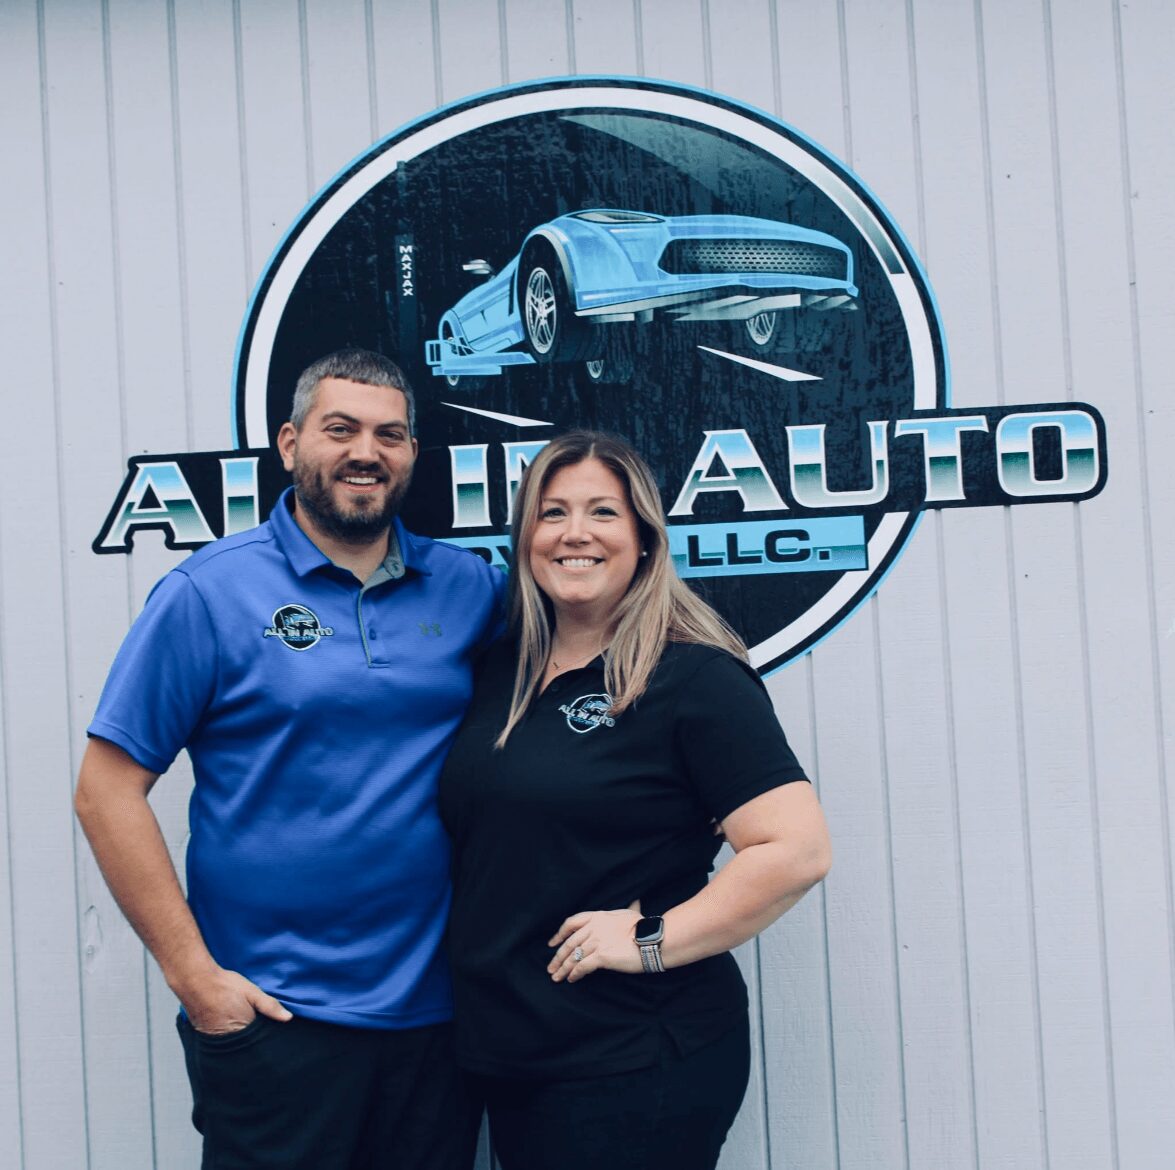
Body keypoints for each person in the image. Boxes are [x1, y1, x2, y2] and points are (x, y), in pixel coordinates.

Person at [74, 348, 504, 1170]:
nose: (365, 452)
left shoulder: (469, 590)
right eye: (339, 429)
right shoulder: (210, 593)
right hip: (274, 1018)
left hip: (437, 1023)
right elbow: (106, 792)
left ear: (412, 453)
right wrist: (196, 981)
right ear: (289, 442)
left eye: (389, 435)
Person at [437, 430, 832, 1170]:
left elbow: (795, 850)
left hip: (634, 1054)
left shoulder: (691, 676)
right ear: (524, 539)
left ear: (645, 539)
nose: (574, 533)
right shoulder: (499, 671)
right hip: (513, 1053)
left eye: (602, 512)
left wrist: (651, 940)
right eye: (552, 513)